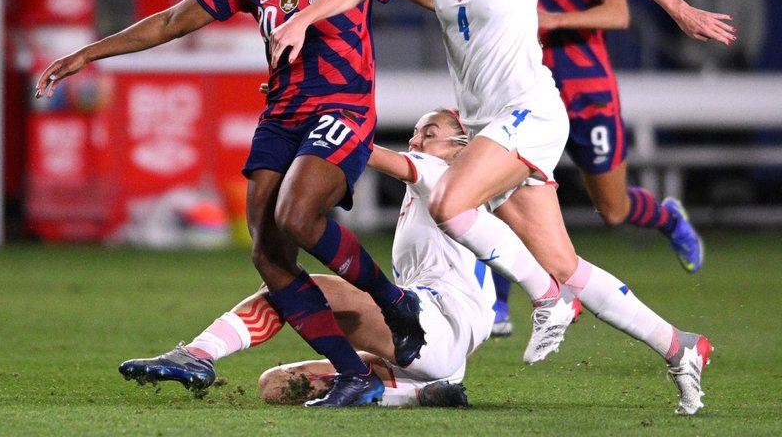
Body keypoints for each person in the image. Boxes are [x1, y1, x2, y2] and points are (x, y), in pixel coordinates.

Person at [269, 0, 736, 415]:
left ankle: (546, 300)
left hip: (532, 112)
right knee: (566, 266)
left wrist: (680, 9)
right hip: (487, 126)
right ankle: (681, 346)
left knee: (449, 202)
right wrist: (302, 18)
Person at [36, 0, 430, 408]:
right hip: (281, 116)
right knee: (268, 252)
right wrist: (88, 53)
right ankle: (353, 375)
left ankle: (395, 302)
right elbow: (173, 20)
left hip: (343, 107)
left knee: (298, 214)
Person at [120, 109, 505, 407]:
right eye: (416, 131)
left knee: (302, 287)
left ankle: (197, 353)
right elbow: (482, 308)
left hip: (429, 329)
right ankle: (423, 394)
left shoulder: (443, 173)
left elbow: (363, 149)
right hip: (436, 348)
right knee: (277, 385)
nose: (415, 140)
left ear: (462, 148)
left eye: (430, 134)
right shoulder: (446, 202)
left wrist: (313, 117)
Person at [486, 0, 706, 339]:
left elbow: (619, 14)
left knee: (613, 211)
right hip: (532, 96)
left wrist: (554, 22)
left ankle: (667, 217)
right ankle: (499, 305)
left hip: (590, 97)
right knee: (503, 194)